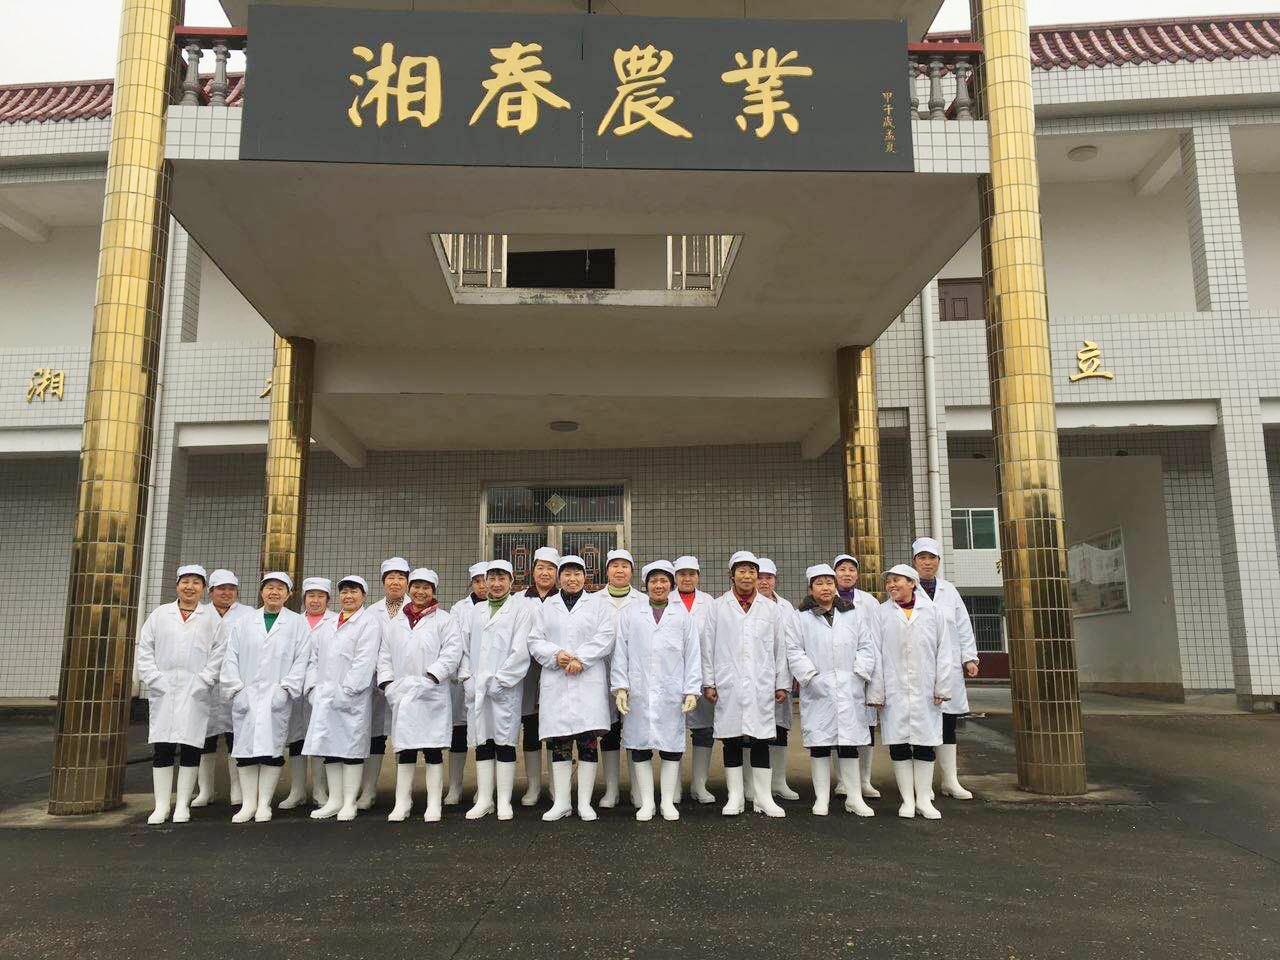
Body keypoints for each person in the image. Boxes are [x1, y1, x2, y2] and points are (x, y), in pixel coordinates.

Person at [701, 551, 791, 818]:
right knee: (731, 740)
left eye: (752, 571)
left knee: (762, 739)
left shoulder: (770, 609)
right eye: (741, 571)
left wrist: (781, 683)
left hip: (761, 683)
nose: (747, 576)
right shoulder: (717, 607)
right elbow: (707, 647)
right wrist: (709, 681)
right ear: (732, 575)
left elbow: (780, 648)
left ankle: (764, 798)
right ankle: (735, 796)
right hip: (728, 682)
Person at [784, 564, 878, 817]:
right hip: (817, 688)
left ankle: (854, 798)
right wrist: (811, 677)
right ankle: (822, 798)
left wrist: (858, 674)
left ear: (835, 586)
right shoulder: (799, 617)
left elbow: (866, 646)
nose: (825, 588)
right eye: (819, 583)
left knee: (849, 744)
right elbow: (794, 650)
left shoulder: (853, 614)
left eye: (829, 582)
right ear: (810, 588)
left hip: (849, 685)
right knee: (820, 744)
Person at [611, 560, 701, 822]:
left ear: (670, 585)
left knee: (671, 747)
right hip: (639, 692)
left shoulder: (682, 616)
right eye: (653, 581)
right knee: (640, 747)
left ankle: (667, 802)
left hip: (672, 692)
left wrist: (691, 690)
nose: (658, 585)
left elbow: (692, 655)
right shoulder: (631, 614)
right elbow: (621, 653)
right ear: (646, 584)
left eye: (663, 581)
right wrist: (621, 688)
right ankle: (647, 802)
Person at [529, 555, 616, 822]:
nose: (572, 578)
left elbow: (606, 636)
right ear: (559, 578)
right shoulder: (546, 606)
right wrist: (556, 655)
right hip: (557, 679)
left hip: (587, 679)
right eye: (566, 574)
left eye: (577, 573)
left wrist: (581, 659)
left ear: (584, 577)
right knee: (560, 742)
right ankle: (562, 802)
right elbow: (535, 640)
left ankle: (585, 803)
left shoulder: (599, 605)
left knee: (587, 740)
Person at [136, 564, 225, 824]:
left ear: (204, 589)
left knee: (191, 747)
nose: (190, 587)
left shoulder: (211, 619)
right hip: (164, 690)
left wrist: (204, 680)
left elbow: (219, 652)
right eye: (185, 582)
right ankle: (162, 806)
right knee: (162, 747)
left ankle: (183, 805)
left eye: (196, 583)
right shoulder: (160, 615)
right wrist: (154, 679)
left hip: (195, 692)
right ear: (177, 586)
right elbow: (145, 649)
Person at [221, 572, 310, 823]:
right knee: (245, 751)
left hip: (276, 697)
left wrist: (286, 689)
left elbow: (302, 659)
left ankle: (264, 804)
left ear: (288, 594)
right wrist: (237, 689)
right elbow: (230, 657)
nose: (274, 592)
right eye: (269, 587)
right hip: (247, 695)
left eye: (280, 588)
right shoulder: (245, 622)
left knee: (272, 749)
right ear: (261, 592)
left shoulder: (297, 623)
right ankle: (248, 804)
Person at [379, 568, 464, 823]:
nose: (420, 591)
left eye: (426, 587)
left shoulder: (445, 620)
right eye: (416, 586)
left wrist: (431, 678)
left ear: (433, 591)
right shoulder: (395, 623)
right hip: (403, 694)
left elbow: (452, 653)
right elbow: (384, 655)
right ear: (409, 589)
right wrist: (388, 685)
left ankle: (433, 803)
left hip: (431, 693)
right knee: (405, 750)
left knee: (432, 749)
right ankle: (402, 802)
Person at [302, 575, 382, 821]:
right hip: (325, 697)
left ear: (364, 596)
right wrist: (313, 689)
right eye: (345, 592)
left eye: (354, 592)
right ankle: (334, 800)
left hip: (352, 699)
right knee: (330, 748)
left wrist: (348, 690)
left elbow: (365, 661)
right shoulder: (328, 625)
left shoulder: (368, 623)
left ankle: (349, 802)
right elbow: (313, 659)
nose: (348, 596)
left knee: (351, 750)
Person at [460, 559, 535, 820]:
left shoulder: (521, 610)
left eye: (502, 578)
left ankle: (503, 800)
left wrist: (501, 680)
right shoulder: (476, 611)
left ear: (511, 581)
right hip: (477, 687)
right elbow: (463, 647)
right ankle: (484, 799)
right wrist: (467, 677)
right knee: (483, 741)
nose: (496, 583)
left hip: (505, 689)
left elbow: (521, 650)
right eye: (491, 578)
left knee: (505, 741)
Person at [877, 564, 951, 820]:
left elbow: (944, 651)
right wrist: (877, 691)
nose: (891, 585)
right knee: (898, 743)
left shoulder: (932, 612)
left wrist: (942, 685)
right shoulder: (881, 613)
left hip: (926, 688)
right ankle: (907, 800)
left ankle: (924, 799)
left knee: (924, 743)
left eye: (897, 580)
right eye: (889, 581)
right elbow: (874, 652)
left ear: (912, 583)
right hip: (894, 689)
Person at [912, 536, 979, 801]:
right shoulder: (908, 588)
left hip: (948, 667)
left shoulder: (949, 591)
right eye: (922, 558)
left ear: (938, 562)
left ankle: (950, 780)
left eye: (932, 558)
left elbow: (963, 625)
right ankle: (923, 784)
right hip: (918, 669)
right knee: (922, 725)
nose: (927, 563)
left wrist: (969, 658)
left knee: (948, 723)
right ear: (914, 561)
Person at [191, 568, 253, 809]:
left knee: (235, 736)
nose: (226, 593)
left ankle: (237, 788)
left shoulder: (248, 614)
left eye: (231, 589)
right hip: (204, 683)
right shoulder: (200, 613)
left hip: (236, 683)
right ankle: (205, 790)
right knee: (203, 737)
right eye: (221, 589)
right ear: (211, 591)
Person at [278, 578, 336, 811]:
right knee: (296, 738)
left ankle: (320, 790)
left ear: (328, 599)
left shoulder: (335, 621)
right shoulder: (294, 622)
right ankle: (297, 791)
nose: (315, 600)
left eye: (320, 596)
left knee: (319, 737)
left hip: (322, 689)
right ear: (303, 599)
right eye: (311, 595)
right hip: (294, 689)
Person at [360, 557, 411, 809]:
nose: (396, 582)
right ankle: (368, 790)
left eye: (401, 577)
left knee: (405, 738)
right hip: (376, 685)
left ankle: (404, 794)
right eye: (391, 577)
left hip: (406, 683)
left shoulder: (415, 608)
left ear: (407, 582)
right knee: (375, 736)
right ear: (383, 582)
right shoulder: (371, 612)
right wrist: (380, 679)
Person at [596, 549, 645, 808]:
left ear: (631, 572)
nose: (619, 570)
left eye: (624, 566)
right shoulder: (594, 601)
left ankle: (638, 789)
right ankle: (612, 790)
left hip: (636, 674)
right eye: (614, 565)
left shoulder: (643, 600)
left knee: (635, 731)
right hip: (601, 674)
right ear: (607, 571)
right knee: (610, 731)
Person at [833, 553, 882, 800]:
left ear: (858, 575)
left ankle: (864, 780)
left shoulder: (869, 602)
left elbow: (875, 637)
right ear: (834, 574)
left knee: (867, 725)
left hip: (865, 671)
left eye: (851, 569)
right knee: (838, 727)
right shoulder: (827, 599)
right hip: (837, 671)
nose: (847, 573)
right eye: (842, 569)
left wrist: (869, 668)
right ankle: (842, 780)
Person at [518, 546, 560, 807]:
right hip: (527, 672)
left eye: (550, 568)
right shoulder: (519, 599)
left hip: (557, 670)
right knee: (531, 727)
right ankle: (533, 786)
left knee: (556, 729)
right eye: (540, 568)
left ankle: (556, 786)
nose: (545, 573)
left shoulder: (565, 598)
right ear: (532, 571)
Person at [756, 557, 800, 802]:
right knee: (753, 731)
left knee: (780, 728)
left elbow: (793, 642)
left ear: (775, 580)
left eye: (769, 578)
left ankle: (779, 781)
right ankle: (754, 783)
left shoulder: (786, 607)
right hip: (754, 677)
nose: (764, 582)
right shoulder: (747, 605)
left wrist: (790, 676)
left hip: (781, 675)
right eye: (760, 577)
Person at [673, 555, 716, 804]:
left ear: (698, 576)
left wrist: (711, 680)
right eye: (682, 574)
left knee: (704, 730)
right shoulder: (665, 600)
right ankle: (674, 785)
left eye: (691, 574)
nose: (687, 578)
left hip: (701, 674)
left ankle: (699, 785)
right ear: (675, 577)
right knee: (673, 730)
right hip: (672, 677)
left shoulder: (709, 603)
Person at [445, 562, 487, 804]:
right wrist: (464, 674)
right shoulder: (459, 608)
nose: (482, 586)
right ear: (471, 584)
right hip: (461, 681)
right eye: (477, 581)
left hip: (489, 679)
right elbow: (455, 643)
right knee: (458, 733)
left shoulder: (502, 607)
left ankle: (484, 787)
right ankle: (455, 786)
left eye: (485, 580)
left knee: (485, 734)